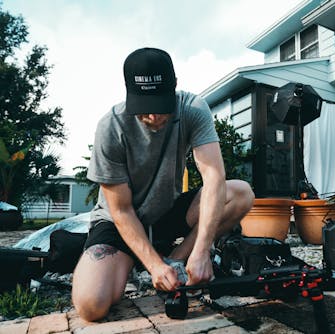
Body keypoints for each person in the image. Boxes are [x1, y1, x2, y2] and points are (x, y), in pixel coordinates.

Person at [72, 47, 254, 321]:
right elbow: (121, 210)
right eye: (145, 108)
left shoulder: (192, 109)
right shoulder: (110, 127)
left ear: (174, 87)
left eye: (160, 106)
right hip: (119, 223)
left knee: (239, 193)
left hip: (167, 212)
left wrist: (202, 250)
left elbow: (214, 177)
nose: (154, 117)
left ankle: (177, 259)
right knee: (91, 305)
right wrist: (153, 266)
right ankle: (140, 261)